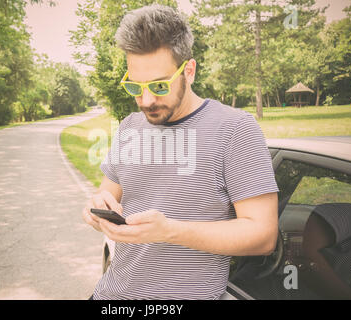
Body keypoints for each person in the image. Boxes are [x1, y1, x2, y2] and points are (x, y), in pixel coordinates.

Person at [82, 4, 279, 300]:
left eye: (159, 85)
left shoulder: (236, 129)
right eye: (136, 86)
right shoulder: (129, 127)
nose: (146, 100)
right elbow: (108, 196)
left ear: (189, 70)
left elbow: (263, 236)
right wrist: (97, 209)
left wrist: (169, 230)